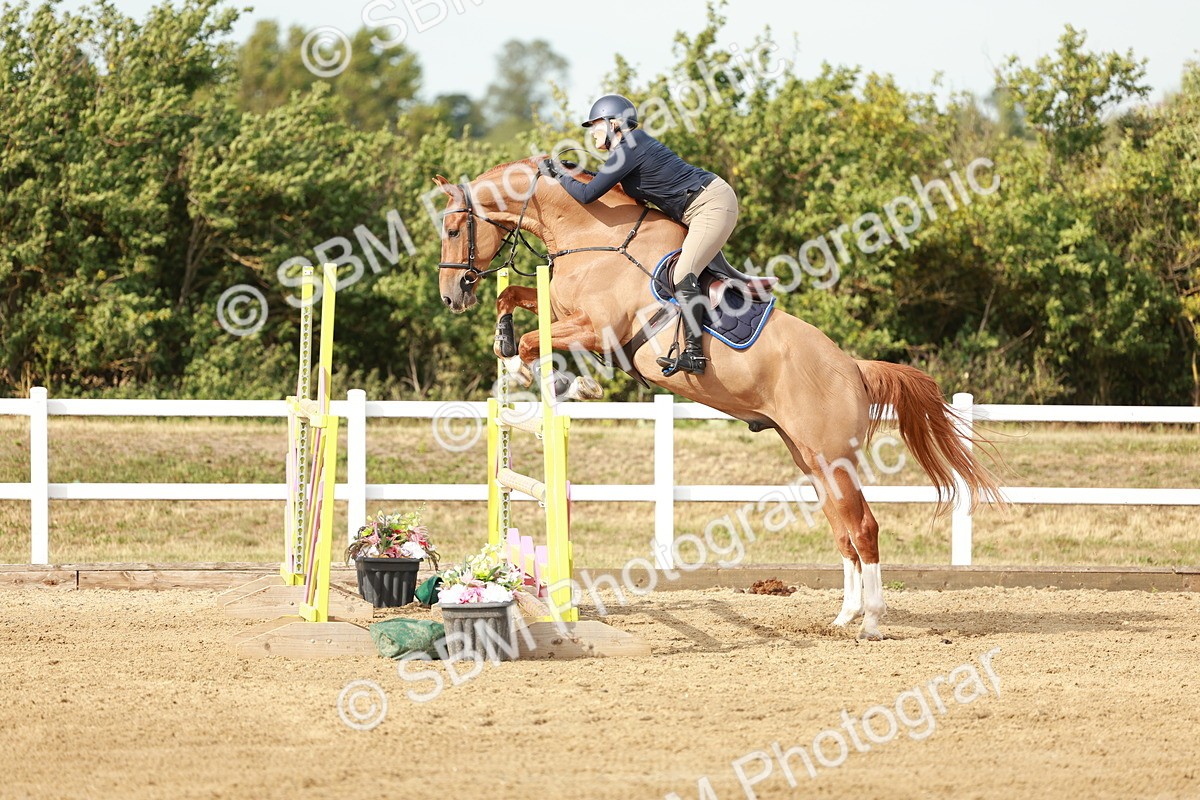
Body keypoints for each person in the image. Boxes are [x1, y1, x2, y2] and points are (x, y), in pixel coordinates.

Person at [540, 93, 740, 376]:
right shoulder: (628, 150)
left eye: (597, 124)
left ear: (614, 124)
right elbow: (602, 183)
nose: (593, 131)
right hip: (698, 206)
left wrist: (558, 175)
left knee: (684, 273)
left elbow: (587, 194)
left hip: (710, 204)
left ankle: (695, 356)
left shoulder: (630, 147)